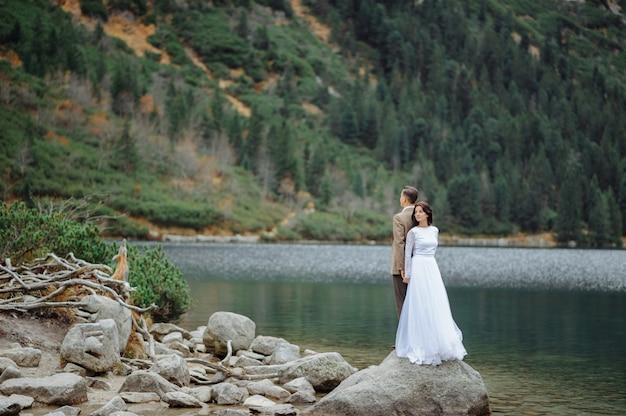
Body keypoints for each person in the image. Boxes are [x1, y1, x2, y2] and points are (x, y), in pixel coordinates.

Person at [395, 201, 467, 365]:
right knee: (421, 303)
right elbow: (408, 254)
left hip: (431, 267)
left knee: (435, 302)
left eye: (420, 212)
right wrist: (408, 273)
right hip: (418, 266)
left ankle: (439, 341)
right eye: (416, 212)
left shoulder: (435, 230)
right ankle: (421, 343)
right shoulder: (413, 232)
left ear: (427, 213)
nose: (417, 215)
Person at [390, 185, 419, 319]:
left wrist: (402, 266)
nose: (400, 199)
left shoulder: (399, 218)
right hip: (419, 266)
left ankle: (405, 338)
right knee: (416, 303)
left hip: (401, 268)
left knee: (402, 304)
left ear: (405, 199)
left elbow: (399, 243)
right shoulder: (420, 215)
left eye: (401, 196)